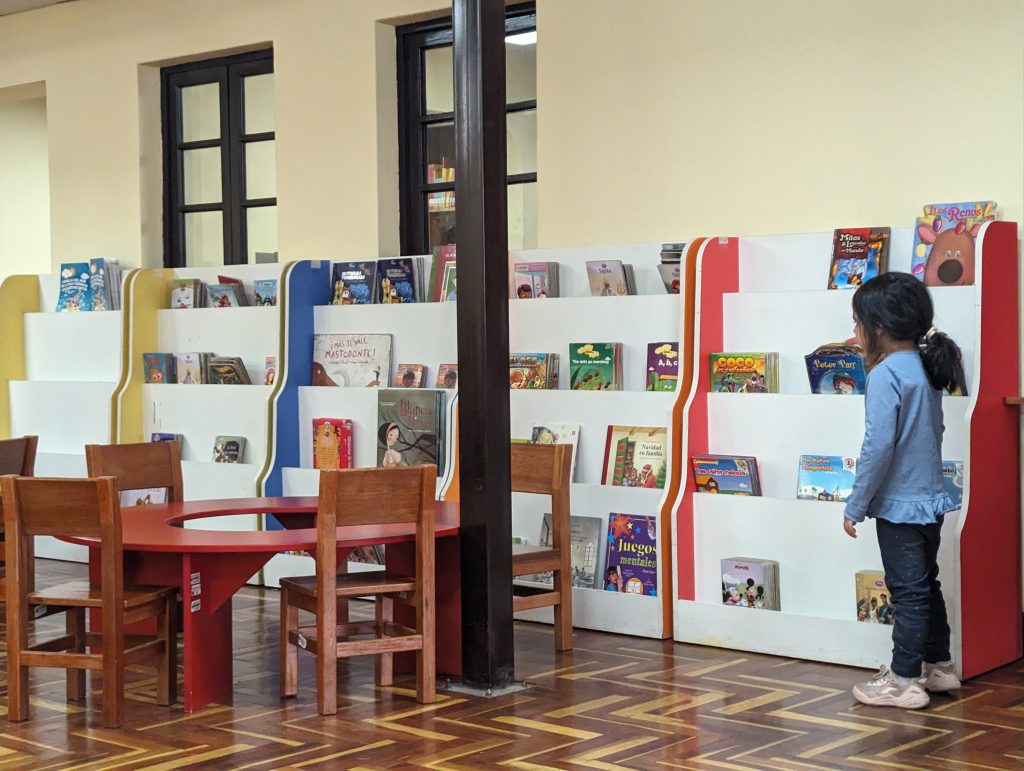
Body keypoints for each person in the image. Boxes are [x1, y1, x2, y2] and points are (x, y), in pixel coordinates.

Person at [843, 272, 965, 710]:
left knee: (907, 592)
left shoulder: (885, 374)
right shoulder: (926, 368)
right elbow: (935, 432)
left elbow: (877, 446)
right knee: (926, 585)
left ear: (877, 328)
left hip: (900, 506)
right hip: (931, 500)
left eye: (857, 322)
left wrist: (856, 504)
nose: (855, 330)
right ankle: (939, 667)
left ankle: (904, 680)